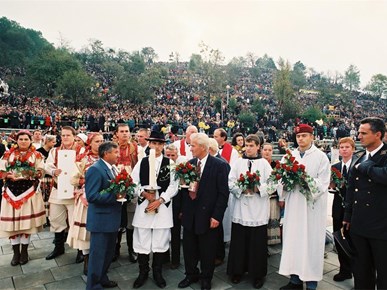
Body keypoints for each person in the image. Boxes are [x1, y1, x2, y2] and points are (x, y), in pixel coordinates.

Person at [279, 124, 330, 290]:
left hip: (311, 209)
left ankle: (312, 283)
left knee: (310, 243)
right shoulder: (289, 156)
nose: (300, 139)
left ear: (312, 137)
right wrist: (285, 183)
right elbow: (279, 178)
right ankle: (294, 280)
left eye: (304, 136)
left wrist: (303, 178)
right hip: (294, 205)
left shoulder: (321, 157)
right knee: (293, 241)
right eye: (298, 136)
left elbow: (322, 184)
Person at [178, 133, 229, 290]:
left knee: (207, 250)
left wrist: (217, 216)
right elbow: (184, 190)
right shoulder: (190, 164)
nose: (190, 148)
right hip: (190, 215)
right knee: (189, 247)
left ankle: (206, 277)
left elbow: (223, 194)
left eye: (193, 145)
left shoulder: (219, 165)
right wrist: (181, 211)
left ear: (202, 147)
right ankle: (190, 274)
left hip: (208, 216)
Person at [343, 117, 387, 289]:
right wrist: (347, 215)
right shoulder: (360, 156)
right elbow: (351, 188)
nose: (358, 136)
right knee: (361, 271)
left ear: (378, 134)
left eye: (363, 133)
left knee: (384, 273)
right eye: (359, 132)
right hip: (359, 225)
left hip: (381, 227)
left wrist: (368, 168)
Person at [131, 131, 178, 288]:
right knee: (142, 239)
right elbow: (132, 182)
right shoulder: (142, 162)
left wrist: (160, 200)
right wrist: (143, 193)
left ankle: (157, 272)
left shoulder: (169, 163)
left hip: (162, 207)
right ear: (149, 144)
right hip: (144, 205)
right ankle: (143, 272)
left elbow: (174, 185)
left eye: (159, 144)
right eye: (154, 143)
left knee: (160, 239)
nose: (156, 146)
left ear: (163, 145)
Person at [227, 134, 273, 289]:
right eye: (246, 145)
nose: (248, 148)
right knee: (239, 242)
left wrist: (258, 188)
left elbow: (273, 184)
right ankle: (237, 271)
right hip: (240, 209)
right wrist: (241, 188)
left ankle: (257, 274)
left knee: (257, 244)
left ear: (258, 147)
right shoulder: (238, 162)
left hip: (258, 210)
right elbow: (230, 181)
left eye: (252, 145)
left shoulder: (265, 165)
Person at [0, 130, 45, 266]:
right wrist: (8, 175)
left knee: (26, 224)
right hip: (11, 192)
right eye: (21, 139)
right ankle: (15, 252)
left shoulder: (37, 155)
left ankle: (24, 251)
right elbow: (1, 170)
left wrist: (30, 174)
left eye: (26, 139)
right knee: (13, 224)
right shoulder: (8, 154)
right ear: (16, 141)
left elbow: (41, 171)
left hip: (28, 192)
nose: (23, 141)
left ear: (30, 140)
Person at [85, 141, 121, 290]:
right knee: (98, 255)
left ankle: (102, 278)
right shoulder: (95, 169)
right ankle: (93, 285)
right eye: (116, 152)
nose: (118, 155)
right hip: (101, 220)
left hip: (111, 219)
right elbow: (92, 196)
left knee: (107, 254)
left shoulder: (112, 168)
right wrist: (116, 196)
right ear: (106, 154)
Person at [67, 133, 103, 275]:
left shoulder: (107, 157)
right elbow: (73, 179)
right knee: (85, 231)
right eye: (96, 141)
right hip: (86, 199)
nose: (99, 144)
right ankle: (87, 260)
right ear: (90, 143)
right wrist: (88, 179)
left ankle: (99, 260)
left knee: (99, 231)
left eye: (101, 141)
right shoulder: (83, 159)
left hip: (102, 198)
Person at [45, 126, 81, 261]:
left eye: (68, 135)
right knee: (55, 219)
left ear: (74, 136)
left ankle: (80, 250)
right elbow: (47, 165)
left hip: (74, 191)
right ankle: (59, 247)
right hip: (57, 188)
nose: (65, 138)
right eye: (63, 135)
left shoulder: (81, 150)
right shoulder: (54, 151)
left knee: (75, 220)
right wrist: (54, 171)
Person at [329, 137, 355, 282]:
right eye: (342, 147)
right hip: (338, 208)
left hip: (353, 210)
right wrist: (331, 186)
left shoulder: (358, 165)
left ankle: (357, 271)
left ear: (353, 149)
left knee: (354, 241)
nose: (344, 149)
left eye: (347, 147)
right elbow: (332, 186)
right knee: (339, 240)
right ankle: (344, 270)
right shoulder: (335, 167)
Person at [113, 123, 138, 262]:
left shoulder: (136, 148)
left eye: (127, 131)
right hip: (115, 187)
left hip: (131, 187)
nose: (124, 134)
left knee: (130, 221)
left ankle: (131, 249)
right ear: (116, 133)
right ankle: (115, 250)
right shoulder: (111, 147)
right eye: (121, 131)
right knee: (116, 220)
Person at [164, 143, 187, 270]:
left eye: (173, 155)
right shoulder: (162, 165)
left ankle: (176, 260)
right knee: (163, 232)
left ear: (177, 154)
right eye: (168, 155)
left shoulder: (182, 166)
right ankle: (164, 257)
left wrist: (183, 210)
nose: (171, 157)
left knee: (175, 233)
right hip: (164, 203)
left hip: (178, 204)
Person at [261, 142, 281, 246]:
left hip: (273, 197)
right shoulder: (258, 163)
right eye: (265, 150)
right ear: (261, 151)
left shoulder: (276, 165)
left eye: (269, 150)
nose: (267, 152)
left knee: (272, 218)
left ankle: (271, 242)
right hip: (260, 197)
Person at [37, 134, 57, 227]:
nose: (55, 143)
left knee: (50, 198)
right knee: (44, 197)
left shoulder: (54, 151)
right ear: (47, 142)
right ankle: (44, 217)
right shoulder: (39, 152)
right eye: (53, 142)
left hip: (52, 178)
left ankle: (50, 217)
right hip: (44, 178)